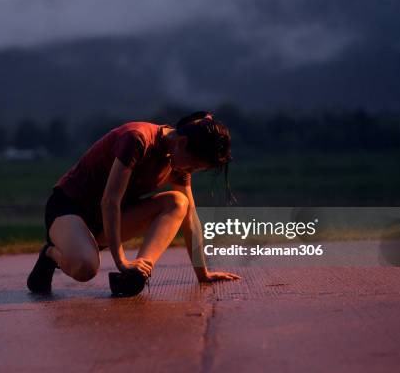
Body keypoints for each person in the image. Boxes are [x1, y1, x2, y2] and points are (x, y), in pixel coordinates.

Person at [27, 110, 241, 295]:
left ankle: (138, 273)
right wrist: (121, 261)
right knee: (86, 268)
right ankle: (50, 254)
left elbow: (190, 217)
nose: (190, 171)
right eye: (193, 166)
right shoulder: (137, 138)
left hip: (107, 220)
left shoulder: (176, 160)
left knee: (179, 202)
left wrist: (203, 273)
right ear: (183, 143)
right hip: (69, 209)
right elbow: (110, 201)